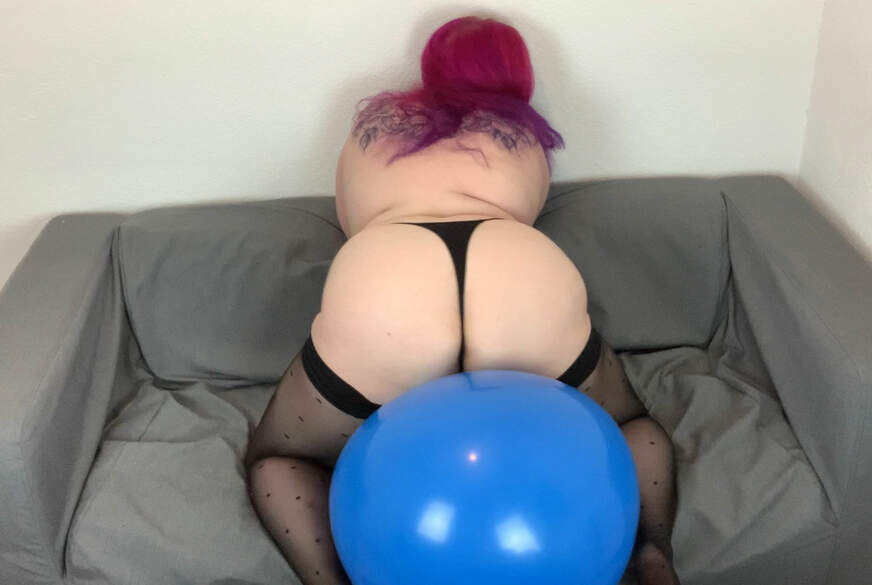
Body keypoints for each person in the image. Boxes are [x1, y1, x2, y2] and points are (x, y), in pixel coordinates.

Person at [244, 15, 680, 585]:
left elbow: (351, 222)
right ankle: (652, 554)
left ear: (429, 65)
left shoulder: (373, 125)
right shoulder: (523, 136)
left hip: (393, 271)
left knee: (279, 460)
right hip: (514, 265)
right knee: (632, 426)